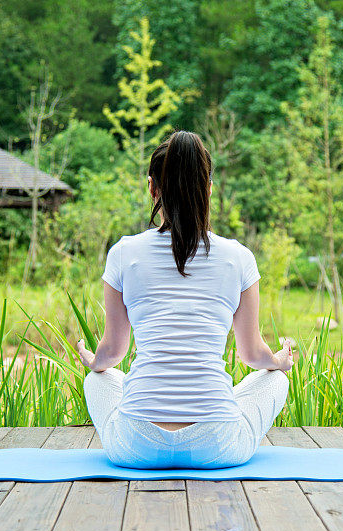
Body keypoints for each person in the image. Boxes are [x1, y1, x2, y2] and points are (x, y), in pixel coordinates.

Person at [76, 130, 293, 469]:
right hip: (216, 446)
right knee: (273, 379)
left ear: (152, 187)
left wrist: (92, 362)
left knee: (99, 379)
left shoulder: (123, 253)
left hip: (136, 447)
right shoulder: (238, 257)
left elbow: (113, 353)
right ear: (208, 188)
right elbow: (251, 355)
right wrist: (280, 361)